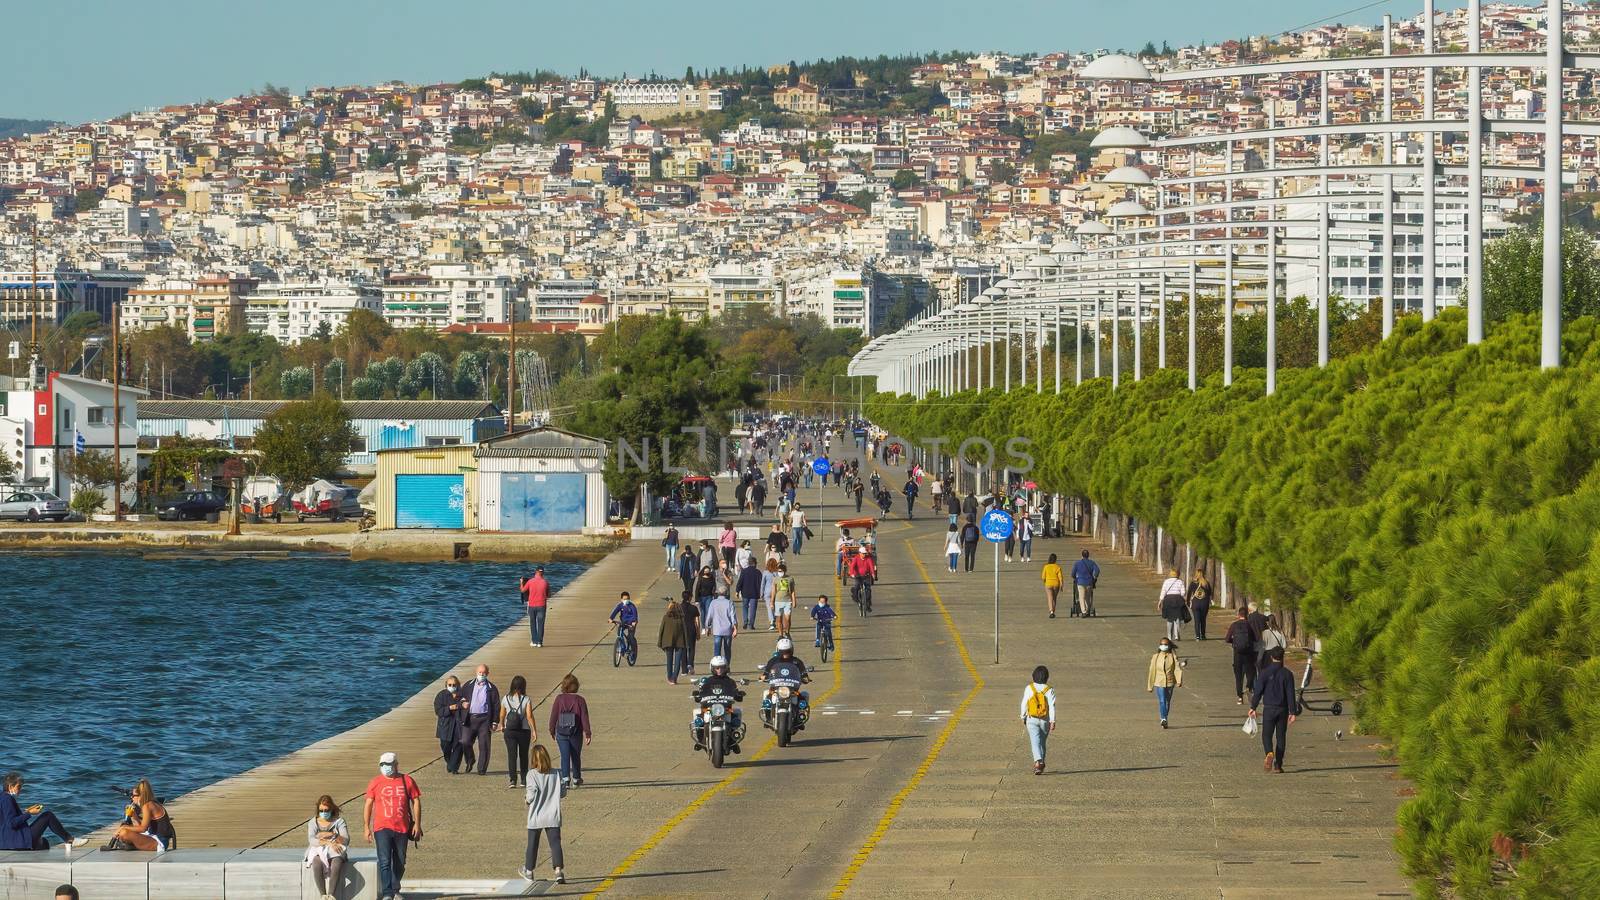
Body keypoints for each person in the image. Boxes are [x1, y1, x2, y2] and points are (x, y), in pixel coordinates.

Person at [364, 752, 421, 900]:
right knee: (384, 861)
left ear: (396, 765)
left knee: (400, 860)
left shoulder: (407, 780)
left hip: (402, 827)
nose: (386, 767)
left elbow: (416, 801)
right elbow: (368, 804)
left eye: (389, 764)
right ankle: (388, 892)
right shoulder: (375, 782)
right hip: (382, 827)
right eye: (382, 765)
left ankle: (396, 887)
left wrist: (417, 824)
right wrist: (366, 827)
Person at [519, 744, 567, 884]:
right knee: (555, 843)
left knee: (532, 844)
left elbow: (531, 793)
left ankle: (529, 870)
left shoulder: (532, 774)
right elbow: (563, 792)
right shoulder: (556, 773)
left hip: (536, 815)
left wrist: (527, 800)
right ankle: (558, 871)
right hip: (553, 814)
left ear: (533, 759)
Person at [1, 773, 87, 851]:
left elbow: (6, 821)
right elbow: (11, 823)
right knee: (48, 816)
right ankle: (69, 839)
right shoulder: (7, 799)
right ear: (10, 786)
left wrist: (26, 812)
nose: (20, 790)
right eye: (18, 787)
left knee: (44, 843)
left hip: (7, 842)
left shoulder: (2, 797)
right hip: (16, 841)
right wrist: (29, 813)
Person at [1249, 647, 1297, 773]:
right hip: (1283, 709)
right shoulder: (1287, 674)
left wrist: (1253, 707)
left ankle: (1269, 753)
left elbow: (1258, 691)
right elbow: (1291, 694)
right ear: (1283, 657)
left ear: (1271, 657)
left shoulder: (1265, 673)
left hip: (1269, 708)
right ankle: (1278, 765)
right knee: (1281, 736)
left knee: (1267, 734)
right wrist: (1293, 712)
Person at [690, 655, 746, 753]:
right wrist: (697, 695)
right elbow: (701, 691)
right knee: (698, 719)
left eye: (722, 668)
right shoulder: (708, 681)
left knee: (736, 715)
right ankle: (700, 740)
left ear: (726, 668)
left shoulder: (730, 682)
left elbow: (735, 692)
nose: (719, 670)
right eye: (717, 668)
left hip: (726, 709)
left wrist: (738, 694)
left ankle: (733, 741)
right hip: (708, 709)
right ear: (712, 668)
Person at [548, 675, 592, 788]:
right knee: (576, 755)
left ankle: (565, 778)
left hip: (561, 732)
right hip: (576, 732)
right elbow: (584, 718)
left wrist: (551, 730)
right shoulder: (581, 700)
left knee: (564, 755)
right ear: (576, 686)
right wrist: (587, 733)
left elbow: (553, 716)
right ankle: (576, 778)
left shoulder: (559, 699)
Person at [110, 779, 175, 852]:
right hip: (153, 836)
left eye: (133, 795)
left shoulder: (147, 806)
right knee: (124, 832)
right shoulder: (151, 803)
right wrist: (134, 816)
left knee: (124, 833)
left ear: (141, 795)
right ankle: (131, 845)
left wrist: (123, 827)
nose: (132, 798)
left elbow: (143, 829)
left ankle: (132, 845)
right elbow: (141, 826)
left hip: (159, 843)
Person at [305, 794, 349, 900]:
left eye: (326, 810)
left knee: (337, 862)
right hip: (318, 850)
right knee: (316, 862)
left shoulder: (339, 821)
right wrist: (328, 843)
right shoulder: (313, 822)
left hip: (336, 850)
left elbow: (346, 839)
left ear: (331, 809)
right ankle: (323, 895)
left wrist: (333, 835)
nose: (324, 813)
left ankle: (331, 895)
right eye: (321, 810)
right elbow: (312, 840)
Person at [463, 664, 501, 776]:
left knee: (484, 745)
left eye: (484, 673)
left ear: (487, 674)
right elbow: (461, 697)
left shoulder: (491, 688)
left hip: (484, 719)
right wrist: (462, 703)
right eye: (480, 672)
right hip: (470, 718)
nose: (481, 675)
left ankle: (482, 769)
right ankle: (470, 760)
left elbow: (496, 705)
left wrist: (495, 722)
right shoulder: (468, 685)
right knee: (465, 741)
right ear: (476, 672)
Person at [1020, 666, 1057, 775]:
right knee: (1042, 742)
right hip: (1045, 719)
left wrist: (1023, 716)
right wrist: (1053, 721)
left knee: (1035, 741)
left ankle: (1038, 762)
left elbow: (1024, 703)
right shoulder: (1049, 690)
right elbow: (1052, 706)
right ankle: (1041, 764)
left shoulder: (1029, 688)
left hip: (1032, 718)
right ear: (1046, 677)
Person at [500, 675, 536, 788]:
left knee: (512, 755)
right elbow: (529, 716)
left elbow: (502, 714)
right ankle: (524, 780)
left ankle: (512, 780)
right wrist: (534, 730)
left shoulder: (505, 698)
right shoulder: (526, 699)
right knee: (523, 755)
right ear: (523, 686)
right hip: (524, 730)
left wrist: (501, 724)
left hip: (509, 730)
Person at [432, 674, 470, 774]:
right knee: (445, 746)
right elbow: (438, 711)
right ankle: (450, 763)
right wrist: (449, 708)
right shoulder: (441, 695)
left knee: (458, 747)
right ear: (446, 685)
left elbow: (467, 707)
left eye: (454, 684)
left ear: (458, 685)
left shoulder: (462, 696)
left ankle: (454, 768)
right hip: (445, 726)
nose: (452, 686)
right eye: (450, 684)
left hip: (459, 726)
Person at [1146, 637, 1183, 728]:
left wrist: (1179, 680)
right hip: (1159, 682)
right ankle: (1163, 719)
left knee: (1167, 701)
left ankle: (1165, 718)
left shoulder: (1173, 657)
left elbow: (1177, 669)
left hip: (1170, 682)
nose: (1163, 646)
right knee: (1162, 701)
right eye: (1162, 644)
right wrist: (1150, 686)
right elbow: (1152, 671)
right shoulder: (1156, 656)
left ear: (1169, 646)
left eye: (1165, 644)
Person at [1224, 608, 1258, 704]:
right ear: (1246, 615)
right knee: (1250, 672)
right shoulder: (1249, 625)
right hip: (1248, 653)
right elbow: (1256, 638)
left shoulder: (1234, 625)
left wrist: (1234, 642)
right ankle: (1248, 687)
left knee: (1238, 676)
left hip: (1237, 653)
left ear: (1238, 615)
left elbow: (1227, 639)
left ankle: (1239, 697)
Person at [658, 596, 690, 684]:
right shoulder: (681, 618)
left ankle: (669, 677)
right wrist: (686, 643)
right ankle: (674, 678)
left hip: (667, 642)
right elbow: (685, 631)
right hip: (680, 642)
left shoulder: (666, 617)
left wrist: (660, 642)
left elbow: (661, 630)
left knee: (669, 661)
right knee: (677, 662)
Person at [703, 590, 739, 664]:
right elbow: (733, 617)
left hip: (717, 630)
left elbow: (709, 616)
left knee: (717, 650)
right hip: (728, 630)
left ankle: (717, 666)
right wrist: (735, 628)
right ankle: (727, 666)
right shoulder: (729, 602)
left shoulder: (713, 602)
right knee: (727, 650)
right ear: (726, 594)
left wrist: (707, 627)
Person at [522, 565, 550, 648]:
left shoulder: (530, 581)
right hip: (542, 605)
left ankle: (534, 641)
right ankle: (539, 642)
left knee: (533, 623)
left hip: (532, 605)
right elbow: (549, 595)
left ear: (536, 572)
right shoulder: (545, 582)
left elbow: (523, 590)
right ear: (543, 573)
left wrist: (521, 583)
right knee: (541, 624)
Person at [1158, 568, 1188, 642]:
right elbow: (1183, 593)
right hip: (1178, 600)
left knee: (1170, 618)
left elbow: (1163, 592)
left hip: (1168, 600)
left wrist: (1160, 601)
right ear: (1177, 574)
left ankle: (1169, 636)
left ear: (1170, 574)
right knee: (1177, 618)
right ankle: (1177, 635)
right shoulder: (1180, 582)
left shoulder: (1166, 581)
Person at [769, 563, 798, 637]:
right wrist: (771, 602)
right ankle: (780, 635)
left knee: (787, 619)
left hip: (787, 601)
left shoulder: (790, 579)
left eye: (781, 571)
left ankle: (787, 632)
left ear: (785, 571)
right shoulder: (775, 579)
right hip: (778, 601)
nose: (780, 572)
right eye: (778, 571)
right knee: (779, 620)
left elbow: (792, 591)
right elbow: (773, 591)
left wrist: (794, 601)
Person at [609, 590, 639, 659]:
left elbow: (635, 614)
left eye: (627, 599)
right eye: (624, 599)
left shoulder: (632, 606)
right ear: (621, 599)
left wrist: (634, 621)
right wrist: (610, 618)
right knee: (619, 632)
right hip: (623, 622)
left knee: (630, 637)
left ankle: (633, 651)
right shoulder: (620, 605)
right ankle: (621, 646)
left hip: (631, 623)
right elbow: (615, 611)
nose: (626, 600)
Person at [737, 554, 764, 629]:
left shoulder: (744, 571)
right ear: (755, 563)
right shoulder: (758, 572)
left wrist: (737, 590)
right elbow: (761, 583)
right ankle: (751, 624)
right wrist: (762, 592)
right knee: (753, 609)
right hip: (755, 593)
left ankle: (745, 621)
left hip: (745, 592)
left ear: (748, 563)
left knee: (745, 607)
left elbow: (740, 582)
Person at [1072, 549, 1100, 617]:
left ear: (1082, 555)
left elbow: (1073, 573)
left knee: (1081, 597)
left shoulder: (1077, 563)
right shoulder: (1092, 562)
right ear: (1088, 555)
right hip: (1089, 582)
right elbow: (1097, 570)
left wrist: (1075, 578)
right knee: (1088, 597)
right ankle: (1087, 611)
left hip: (1080, 582)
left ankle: (1083, 611)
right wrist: (1095, 577)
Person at [1187, 568, 1214, 640]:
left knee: (1196, 620)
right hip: (1204, 603)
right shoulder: (1206, 583)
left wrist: (1188, 603)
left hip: (1195, 603)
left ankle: (1197, 636)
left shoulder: (1193, 583)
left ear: (1196, 574)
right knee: (1203, 620)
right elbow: (1209, 593)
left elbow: (1189, 594)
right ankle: (1203, 635)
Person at [847, 547, 876, 613]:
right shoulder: (856, 558)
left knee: (868, 590)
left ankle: (868, 606)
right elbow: (852, 567)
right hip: (858, 576)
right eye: (863, 553)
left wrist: (873, 574)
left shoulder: (868, 558)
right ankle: (855, 597)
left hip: (866, 576)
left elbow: (871, 566)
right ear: (859, 553)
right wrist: (852, 573)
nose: (864, 555)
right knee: (857, 586)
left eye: (865, 553)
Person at [1041, 553, 1064, 618]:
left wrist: (1045, 582)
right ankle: (1053, 610)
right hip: (1056, 584)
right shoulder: (1057, 567)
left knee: (1050, 597)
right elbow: (1060, 577)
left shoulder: (1046, 567)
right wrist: (1061, 585)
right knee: (1054, 598)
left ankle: (1051, 611)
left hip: (1048, 584)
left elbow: (1043, 577)